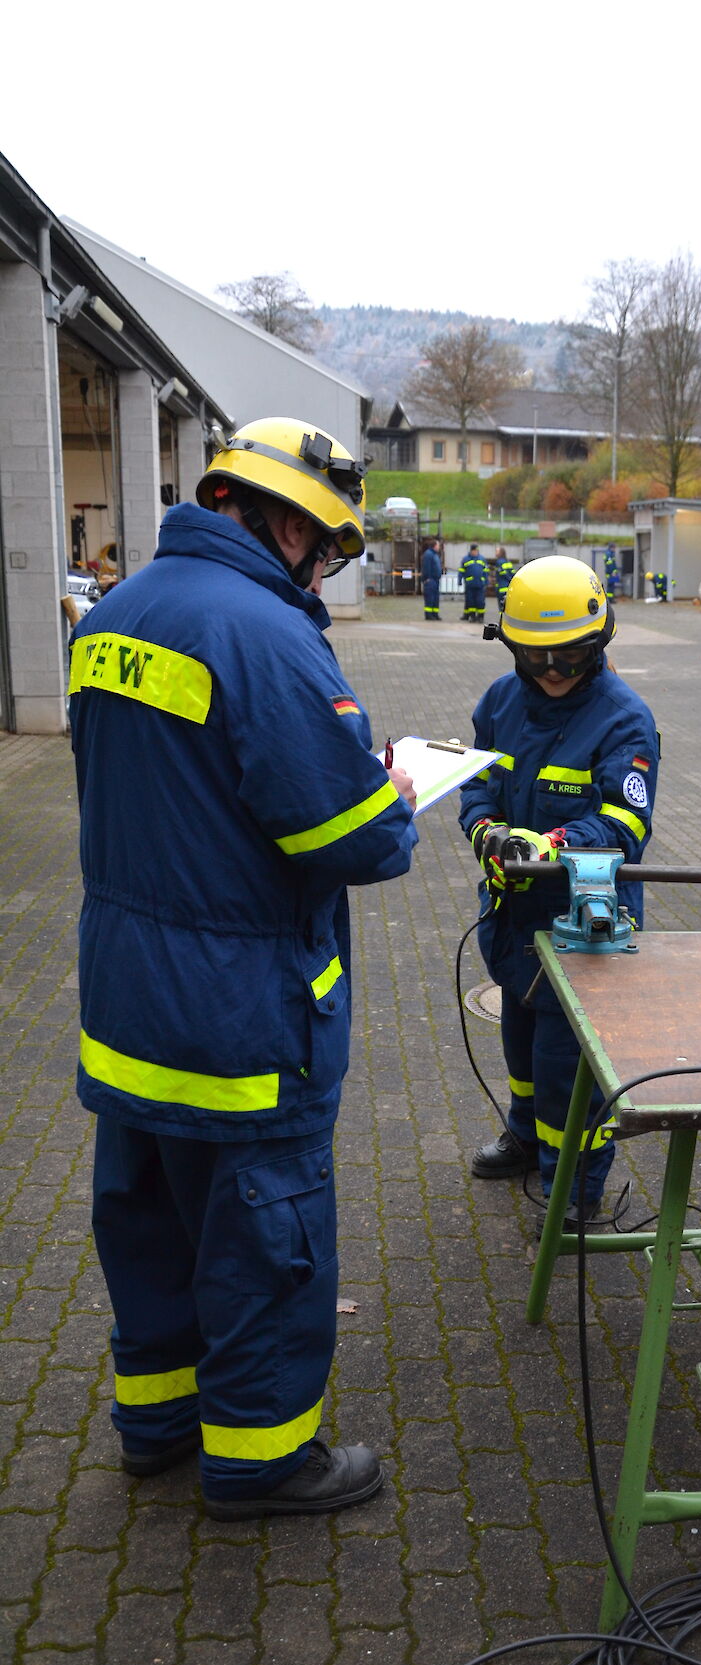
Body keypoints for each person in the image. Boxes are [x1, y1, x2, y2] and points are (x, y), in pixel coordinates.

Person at [69, 417, 420, 1517]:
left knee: (146, 1218)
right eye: (326, 545)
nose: (323, 567)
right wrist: (396, 794)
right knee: (264, 1239)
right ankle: (264, 1462)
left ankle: (157, 1423)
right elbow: (351, 840)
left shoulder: (112, 618)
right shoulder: (266, 637)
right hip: (242, 1017)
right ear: (286, 522)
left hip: (128, 998)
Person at [459, 557, 659, 1226]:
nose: (551, 672)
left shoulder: (624, 720)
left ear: (601, 639)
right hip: (513, 918)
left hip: (582, 927)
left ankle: (575, 1185)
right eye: (536, 657)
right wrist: (487, 834)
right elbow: (478, 787)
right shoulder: (498, 703)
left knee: (564, 1065)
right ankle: (523, 1137)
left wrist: (554, 846)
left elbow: (626, 823)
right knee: (520, 1037)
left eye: (569, 657)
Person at [460, 544, 488, 622]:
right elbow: (461, 571)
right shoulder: (466, 559)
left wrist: (486, 581)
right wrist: (459, 580)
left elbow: (485, 572)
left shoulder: (482, 559)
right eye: (474, 551)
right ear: (471, 551)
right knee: (470, 601)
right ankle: (472, 616)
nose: (475, 552)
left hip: (480, 584)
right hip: (470, 585)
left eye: (477, 551)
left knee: (480, 601)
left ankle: (480, 617)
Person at [421, 538, 442, 620]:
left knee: (435, 598)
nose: (439, 547)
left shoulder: (435, 554)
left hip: (436, 580)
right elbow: (426, 567)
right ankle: (428, 615)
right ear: (434, 546)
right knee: (430, 598)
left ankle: (435, 614)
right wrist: (427, 578)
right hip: (430, 580)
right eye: (438, 545)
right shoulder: (428, 554)